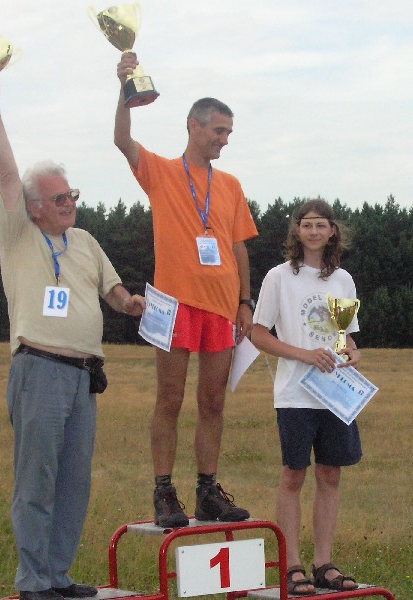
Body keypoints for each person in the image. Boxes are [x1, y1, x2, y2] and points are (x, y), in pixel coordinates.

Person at [0, 70, 146, 600]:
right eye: (57, 197)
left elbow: (113, 291)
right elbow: (8, 170)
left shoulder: (87, 242)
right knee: (37, 480)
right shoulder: (19, 235)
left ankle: (58, 576)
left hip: (83, 376)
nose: (68, 202)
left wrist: (131, 304)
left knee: (74, 481)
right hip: (39, 369)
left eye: (70, 193)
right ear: (33, 207)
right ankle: (33, 582)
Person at [113, 52, 259, 528]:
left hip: (221, 307)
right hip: (171, 304)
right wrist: (124, 89)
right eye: (219, 130)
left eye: (229, 133)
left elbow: (237, 246)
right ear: (194, 126)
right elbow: (121, 140)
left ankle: (207, 490)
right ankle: (163, 491)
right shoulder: (161, 171)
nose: (225, 140)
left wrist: (245, 302)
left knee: (213, 402)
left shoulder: (230, 184)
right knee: (170, 399)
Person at [250, 199, 362, 593]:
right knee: (293, 475)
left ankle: (324, 564)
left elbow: (344, 335)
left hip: (334, 395)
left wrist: (351, 351)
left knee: (330, 475)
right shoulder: (279, 277)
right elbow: (258, 334)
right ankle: (292, 565)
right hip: (295, 394)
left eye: (321, 225)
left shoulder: (343, 280)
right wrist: (303, 355)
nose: (314, 231)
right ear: (297, 231)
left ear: (332, 231)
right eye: (307, 224)